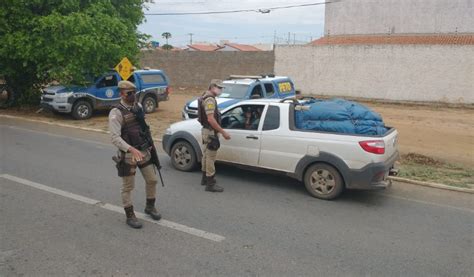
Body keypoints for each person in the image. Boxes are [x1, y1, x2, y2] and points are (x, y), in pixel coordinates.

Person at [108, 80, 161, 229]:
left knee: (152, 180)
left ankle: (150, 206)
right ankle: (129, 215)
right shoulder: (116, 112)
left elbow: (144, 127)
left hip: (143, 150)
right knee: (128, 186)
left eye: (134, 93)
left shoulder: (138, 107)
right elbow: (114, 138)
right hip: (129, 154)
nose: (133, 96)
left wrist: (149, 145)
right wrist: (130, 149)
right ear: (122, 94)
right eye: (129, 93)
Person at [198, 79, 231, 192]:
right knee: (211, 157)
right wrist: (223, 132)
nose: (220, 90)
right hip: (211, 132)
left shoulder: (205, 96)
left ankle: (205, 179)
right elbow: (211, 119)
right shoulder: (210, 100)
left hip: (207, 131)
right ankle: (210, 183)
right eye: (219, 88)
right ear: (212, 87)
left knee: (206, 156)